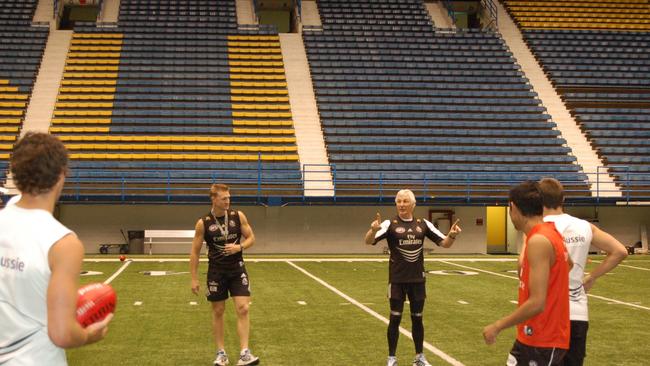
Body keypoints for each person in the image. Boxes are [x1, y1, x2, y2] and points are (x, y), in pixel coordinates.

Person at [0, 132, 112, 365]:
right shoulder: (63, 243)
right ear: (61, 175)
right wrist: (90, 335)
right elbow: (61, 333)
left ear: (15, 174)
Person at [365, 189, 462, 366]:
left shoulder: (423, 224)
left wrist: (453, 235)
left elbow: (444, 243)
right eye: (398, 201)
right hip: (397, 280)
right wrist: (372, 230)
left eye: (405, 201)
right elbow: (368, 241)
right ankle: (392, 359)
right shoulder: (389, 223)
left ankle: (419, 357)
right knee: (395, 318)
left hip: (418, 280)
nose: (401, 205)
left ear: (413, 204)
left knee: (417, 318)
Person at [539, 177, 628, 366]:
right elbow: (620, 251)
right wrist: (591, 277)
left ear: (539, 200)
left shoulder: (539, 228)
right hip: (578, 313)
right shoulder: (585, 226)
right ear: (562, 200)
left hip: (550, 313)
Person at [483, 181, 571, 366]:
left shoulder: (539, 240)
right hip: (533, 335)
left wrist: (497, 326)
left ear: (513, 207)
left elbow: (537, 302)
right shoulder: (550, 233)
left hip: (543, 339)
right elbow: (568, 264)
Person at [190, 183, 259, 366]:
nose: (228, 201)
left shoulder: (238, 216)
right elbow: (195, 252)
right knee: (218, 311)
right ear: (214, 199)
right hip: (216, 272)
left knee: (243, 308)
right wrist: (194, 278)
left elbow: (252, 237)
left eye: (229, 197)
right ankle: (221, 353)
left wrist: (240, 246)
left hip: (237, 269)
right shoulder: (203, 223)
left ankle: (245, 353)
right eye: (224, 198)